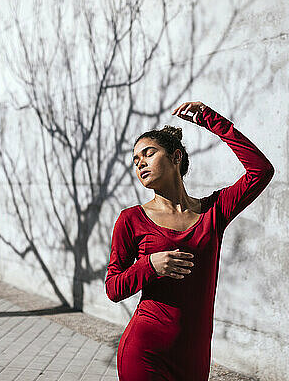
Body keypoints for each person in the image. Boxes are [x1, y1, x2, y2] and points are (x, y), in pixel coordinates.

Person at [105, 101, 274, 381]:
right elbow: (113, 288)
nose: (141, 163)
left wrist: (213, 121)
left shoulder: (214, 211)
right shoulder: (131, 219)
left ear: (176, 158)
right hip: (145, 353)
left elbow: (260, 171)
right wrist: (150, 266)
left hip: (194, 357)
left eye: (148, 153)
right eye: (136, 160)